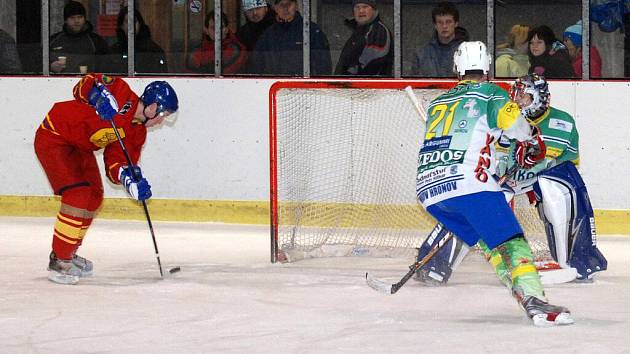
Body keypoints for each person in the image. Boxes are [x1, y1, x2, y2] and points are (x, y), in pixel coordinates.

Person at [415, 41, 573, 326]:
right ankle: (536, 301)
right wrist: (532, 137)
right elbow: (513, 122)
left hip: (429, 191)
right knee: (514, 245)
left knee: (492, 245)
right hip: (470, 187)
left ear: (456, 66)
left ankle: (524, 297)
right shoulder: (489, 93)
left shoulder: (438, 101)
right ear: (487, 66)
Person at [415, 74, 607, 286]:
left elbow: (568, 164)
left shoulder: (564, 124)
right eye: (514, 96)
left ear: (540, 98)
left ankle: (581, 259)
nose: (516, 101)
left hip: (540, 181)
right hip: (504, 179)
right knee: (474, 205)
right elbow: (488, 155)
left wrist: (543, 185)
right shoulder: (505, 117)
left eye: (523, 97)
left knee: (565, 187)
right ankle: (434, 263)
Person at [34, 73, 179, 285]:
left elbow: (115, 165)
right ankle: (59, 259)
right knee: (78, 195)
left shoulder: (136, 132)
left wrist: (128, 178)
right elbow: (82, 85)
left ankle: (69, 250)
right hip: (54, 136)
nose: (161, 120)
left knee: (94, 196)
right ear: (151, 107)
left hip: (80, 147)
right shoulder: (120, 91)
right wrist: (97, 96)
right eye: (163, 113)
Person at [251, 0, 332, 76]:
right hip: (274, 86)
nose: (285, 8)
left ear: (296, 6)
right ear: (275, 8)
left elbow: (323, 65)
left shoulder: (311, 31)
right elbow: (256, 65)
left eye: (289, 4)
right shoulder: (267, 35)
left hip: (305, 87)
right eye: (281, 5)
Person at [334, 0, 393, 76]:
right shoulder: (359, 32)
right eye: (357, 7)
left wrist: (348, 76)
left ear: (373, 9)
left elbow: (371, 63)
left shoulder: (378, 31)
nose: (361, 11)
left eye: (365, 7)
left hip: (368, 85)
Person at [411, 1, 469, 77]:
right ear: (435, 25)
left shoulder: (468, 52)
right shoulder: (421, 54)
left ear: (456, 23)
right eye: (440, 22)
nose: (444, 26)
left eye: (448, 22)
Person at [49, 1, 109, 74]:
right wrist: (50, 67)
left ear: (84, 18)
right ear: (65, 20)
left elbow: (107, 65)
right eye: (72, 18)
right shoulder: (53, 41)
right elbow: (38, 64)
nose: (76, 21)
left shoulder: (96, 41)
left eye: (80, 17)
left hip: (89, 83)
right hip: (59, 83)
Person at [107, 6, 168, 74]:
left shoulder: (153, 50)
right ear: (121, 26)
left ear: (140, 24)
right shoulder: (113, 51)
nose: (131, 25)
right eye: (127, 21)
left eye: (134, 21)